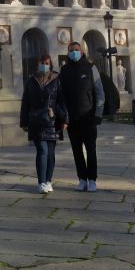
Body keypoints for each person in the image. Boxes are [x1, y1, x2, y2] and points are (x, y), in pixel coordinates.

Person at [59, 41, 105, 192]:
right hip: (72, 119)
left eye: (76, 50)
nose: (73, 52)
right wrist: (64, 116)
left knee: (91, 150)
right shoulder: (64, 70)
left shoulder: (91, 68)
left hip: (88, 117)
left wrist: (97, 114)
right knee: (76, 150)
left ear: (82, 52)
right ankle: (82, 178)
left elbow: (99, 92)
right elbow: (61, 96)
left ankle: (92, 179)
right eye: (71, 50)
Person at [20, 54, 67, 194]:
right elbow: (25, 102)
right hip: (36, 120)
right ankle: (41, 181)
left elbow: (61, 101)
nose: (45, 65)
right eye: (42, 63)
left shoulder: (56, 80)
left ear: (50, 64)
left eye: (47, 63)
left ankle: (48, 181)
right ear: (38, 64)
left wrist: (65, 119)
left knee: (51, 153)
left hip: (52, 120)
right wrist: (24, 121)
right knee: (42, 150)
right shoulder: (31, 81)